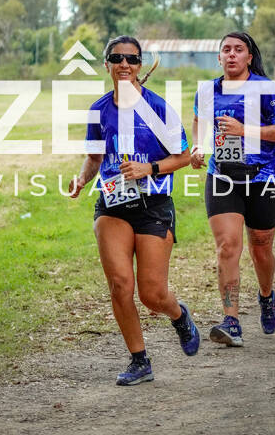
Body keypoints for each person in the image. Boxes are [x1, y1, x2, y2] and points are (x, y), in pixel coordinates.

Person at [69, 35, 200, 385]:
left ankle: (178, 315)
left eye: (131, 58)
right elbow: (95, 157)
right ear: (107, 65)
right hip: (112, 204)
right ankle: (139, 360)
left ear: (140, 65)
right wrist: (81, 180)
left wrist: (149, 169)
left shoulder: (157, 108)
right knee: (119, 284)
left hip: (153, 205)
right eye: (117, 58)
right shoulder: (99, 110)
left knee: (152, 294)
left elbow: (183, 156)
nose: (124, 64)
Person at [191, 32, 275, 347]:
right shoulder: (207, 90)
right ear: (218, 57)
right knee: (227, 247)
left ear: (249, 57)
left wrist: (244, 129)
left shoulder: (265, 88)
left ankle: (266, 295)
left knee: (260, 247)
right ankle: (231, 321)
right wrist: (197, 147)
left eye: (238, 49)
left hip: (264, 177)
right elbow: (199, 122)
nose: (232, 54)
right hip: (223, 176)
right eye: (226, 50)